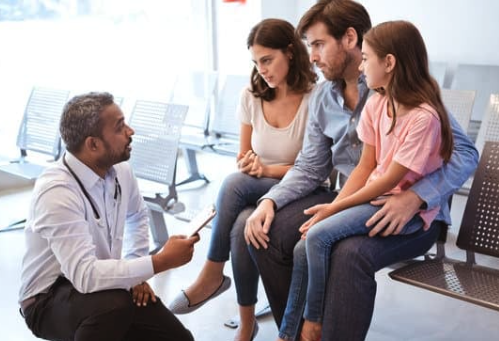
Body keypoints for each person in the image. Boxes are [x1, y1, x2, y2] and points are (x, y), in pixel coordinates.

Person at [242, 1, 479, 340]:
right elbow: (311, 166)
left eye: (318, 44)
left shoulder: (403, 90)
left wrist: (416, 197)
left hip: (410, 212)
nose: (311, 56)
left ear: (350, 38)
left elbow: (465, 152)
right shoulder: (325, 96)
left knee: (347, 254)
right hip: (355, 199)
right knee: (267, 235)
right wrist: (271, 201)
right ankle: (294, 334)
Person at [280, 19, 454, 341]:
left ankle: (313, 323)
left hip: (406, 210)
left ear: (389, 63)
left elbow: (389, 181)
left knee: (318, 237)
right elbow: (365, 167)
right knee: (305, 244)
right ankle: (287, 333)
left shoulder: (424, 117)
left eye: (367, 57)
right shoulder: (376, 102)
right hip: (376, 198)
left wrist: (334, 210)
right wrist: (332, 206)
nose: (361, 65)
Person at [168, 18, 316, 341]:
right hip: (258, 186)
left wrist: (264, 170)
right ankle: (246, 324)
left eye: (267, 60)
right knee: (239, 227)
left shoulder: (313, 98)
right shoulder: (251, 95)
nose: (262, 69)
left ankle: (211, 273)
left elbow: (313, 167)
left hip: (301, 189)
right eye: (256, 62)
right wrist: (250, 163)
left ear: (289, 53)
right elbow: (243, 155)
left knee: (233, 184)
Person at [19, 92, 199, 341]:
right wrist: (159, 262)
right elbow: (84, 275)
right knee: (115, 306)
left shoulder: (120, 169)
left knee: (178, 339)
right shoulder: (56, 191)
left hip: (105, 285)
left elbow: (137, 215)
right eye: (120, 127)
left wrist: (136, 273)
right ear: (93, 144)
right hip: (47, 298)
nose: (130, 131)